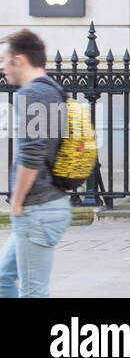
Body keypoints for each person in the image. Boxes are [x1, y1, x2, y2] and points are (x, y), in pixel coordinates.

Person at [0, 29, 73, 298]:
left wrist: (17, 201)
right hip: (50, 203)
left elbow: (32, 154)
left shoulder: (30, 94)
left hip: (37, 208)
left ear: (19, 60)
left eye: (4, 59)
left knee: (33, 292)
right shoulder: (53, 89)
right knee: (4, 279)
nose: (2, 66)